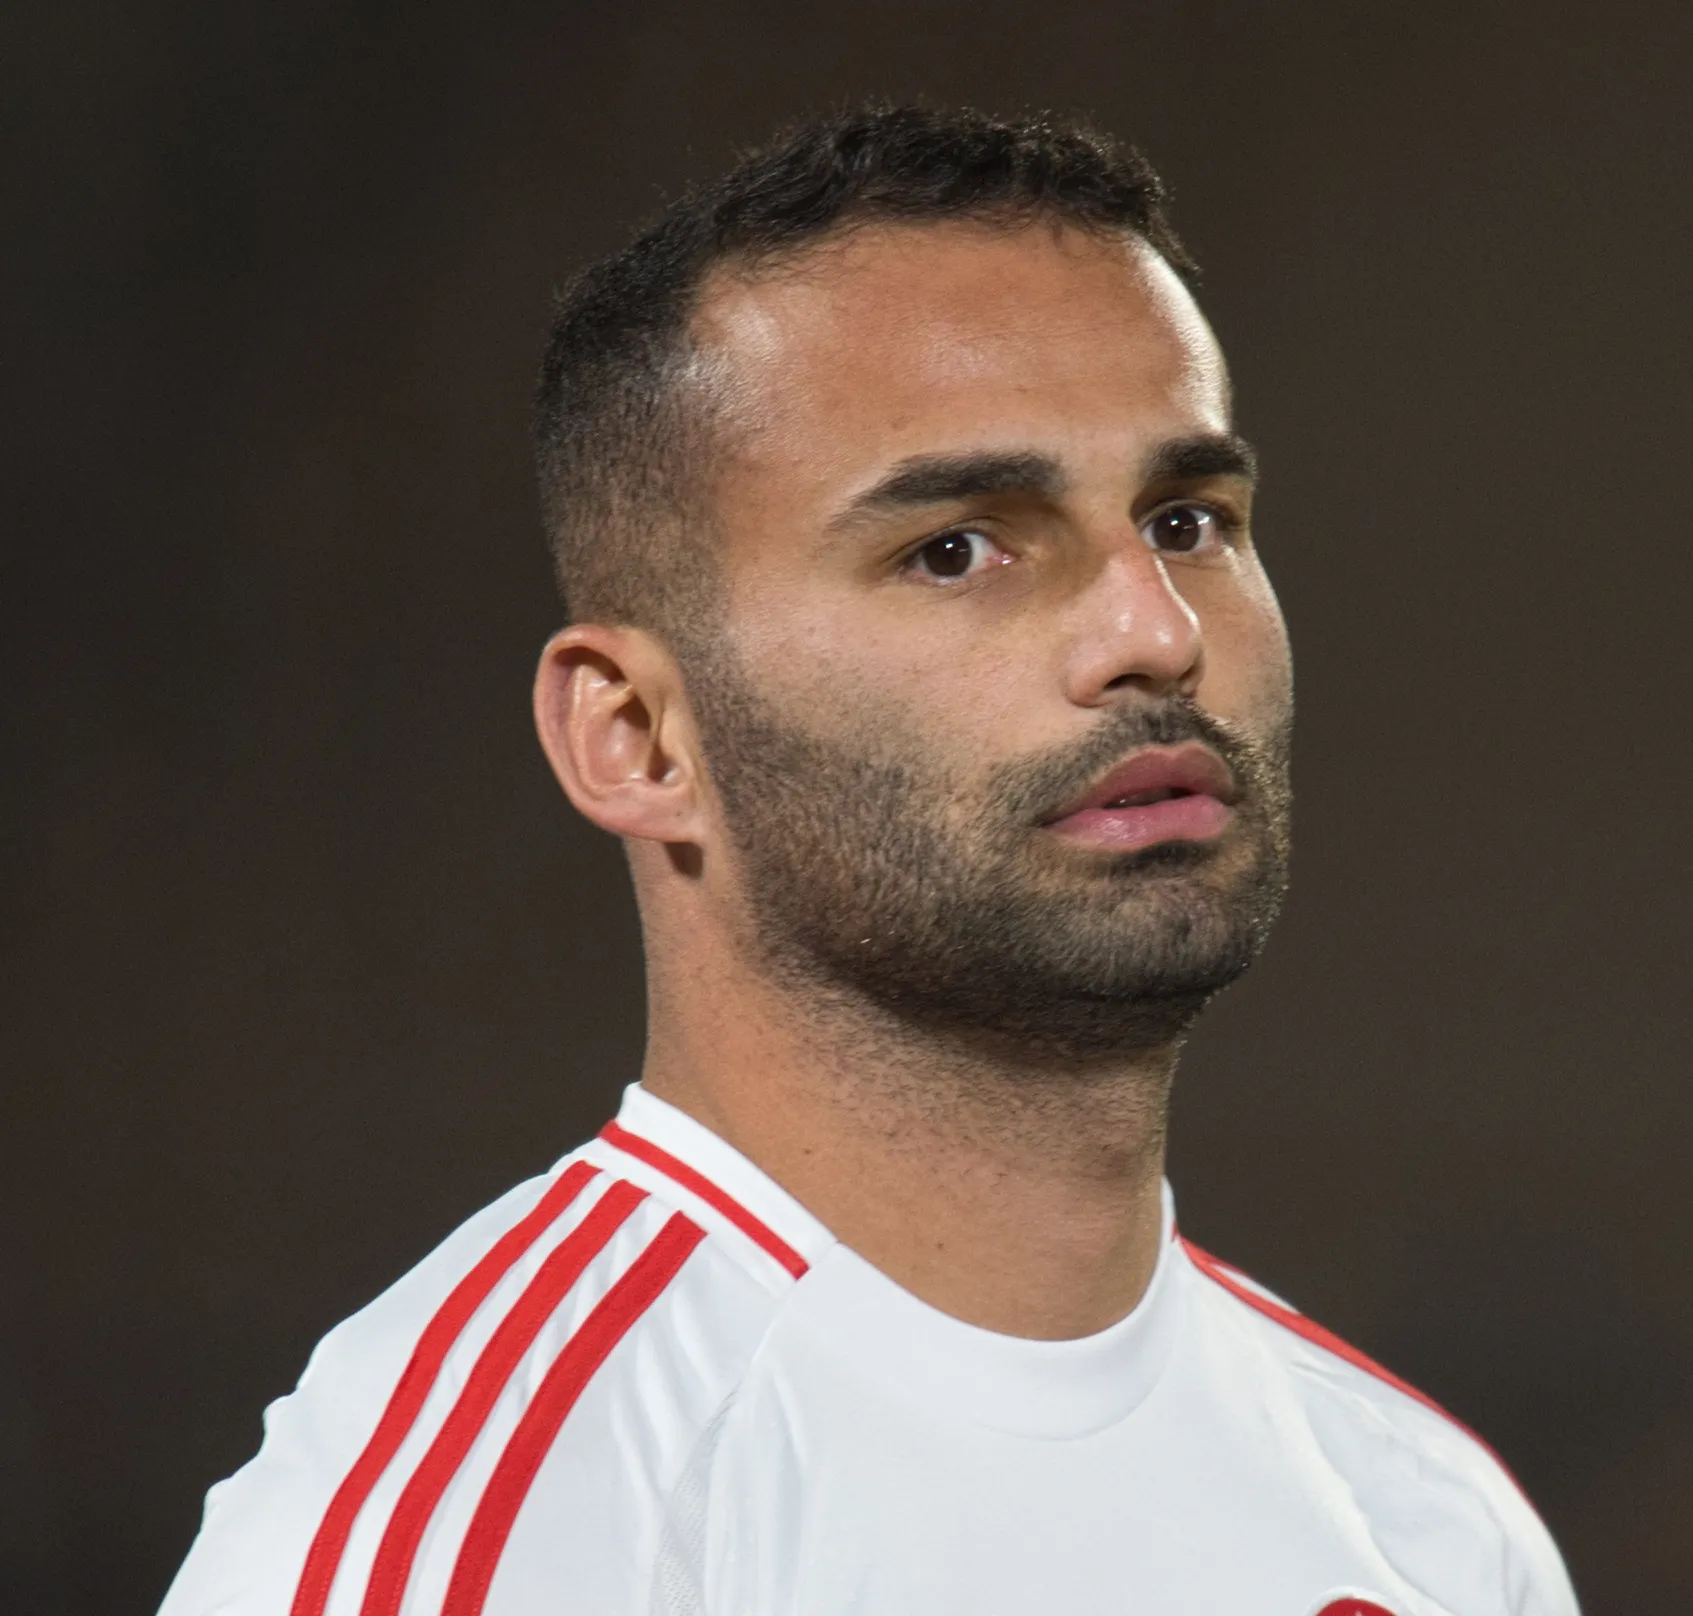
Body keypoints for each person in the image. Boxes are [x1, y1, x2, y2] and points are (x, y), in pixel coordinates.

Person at [159, 104, 1577, 1616]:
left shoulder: (1429, 1526)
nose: (1157, 634)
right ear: (638, 736)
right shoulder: (505, 1529)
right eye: (958, 547)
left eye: (1187, 519)